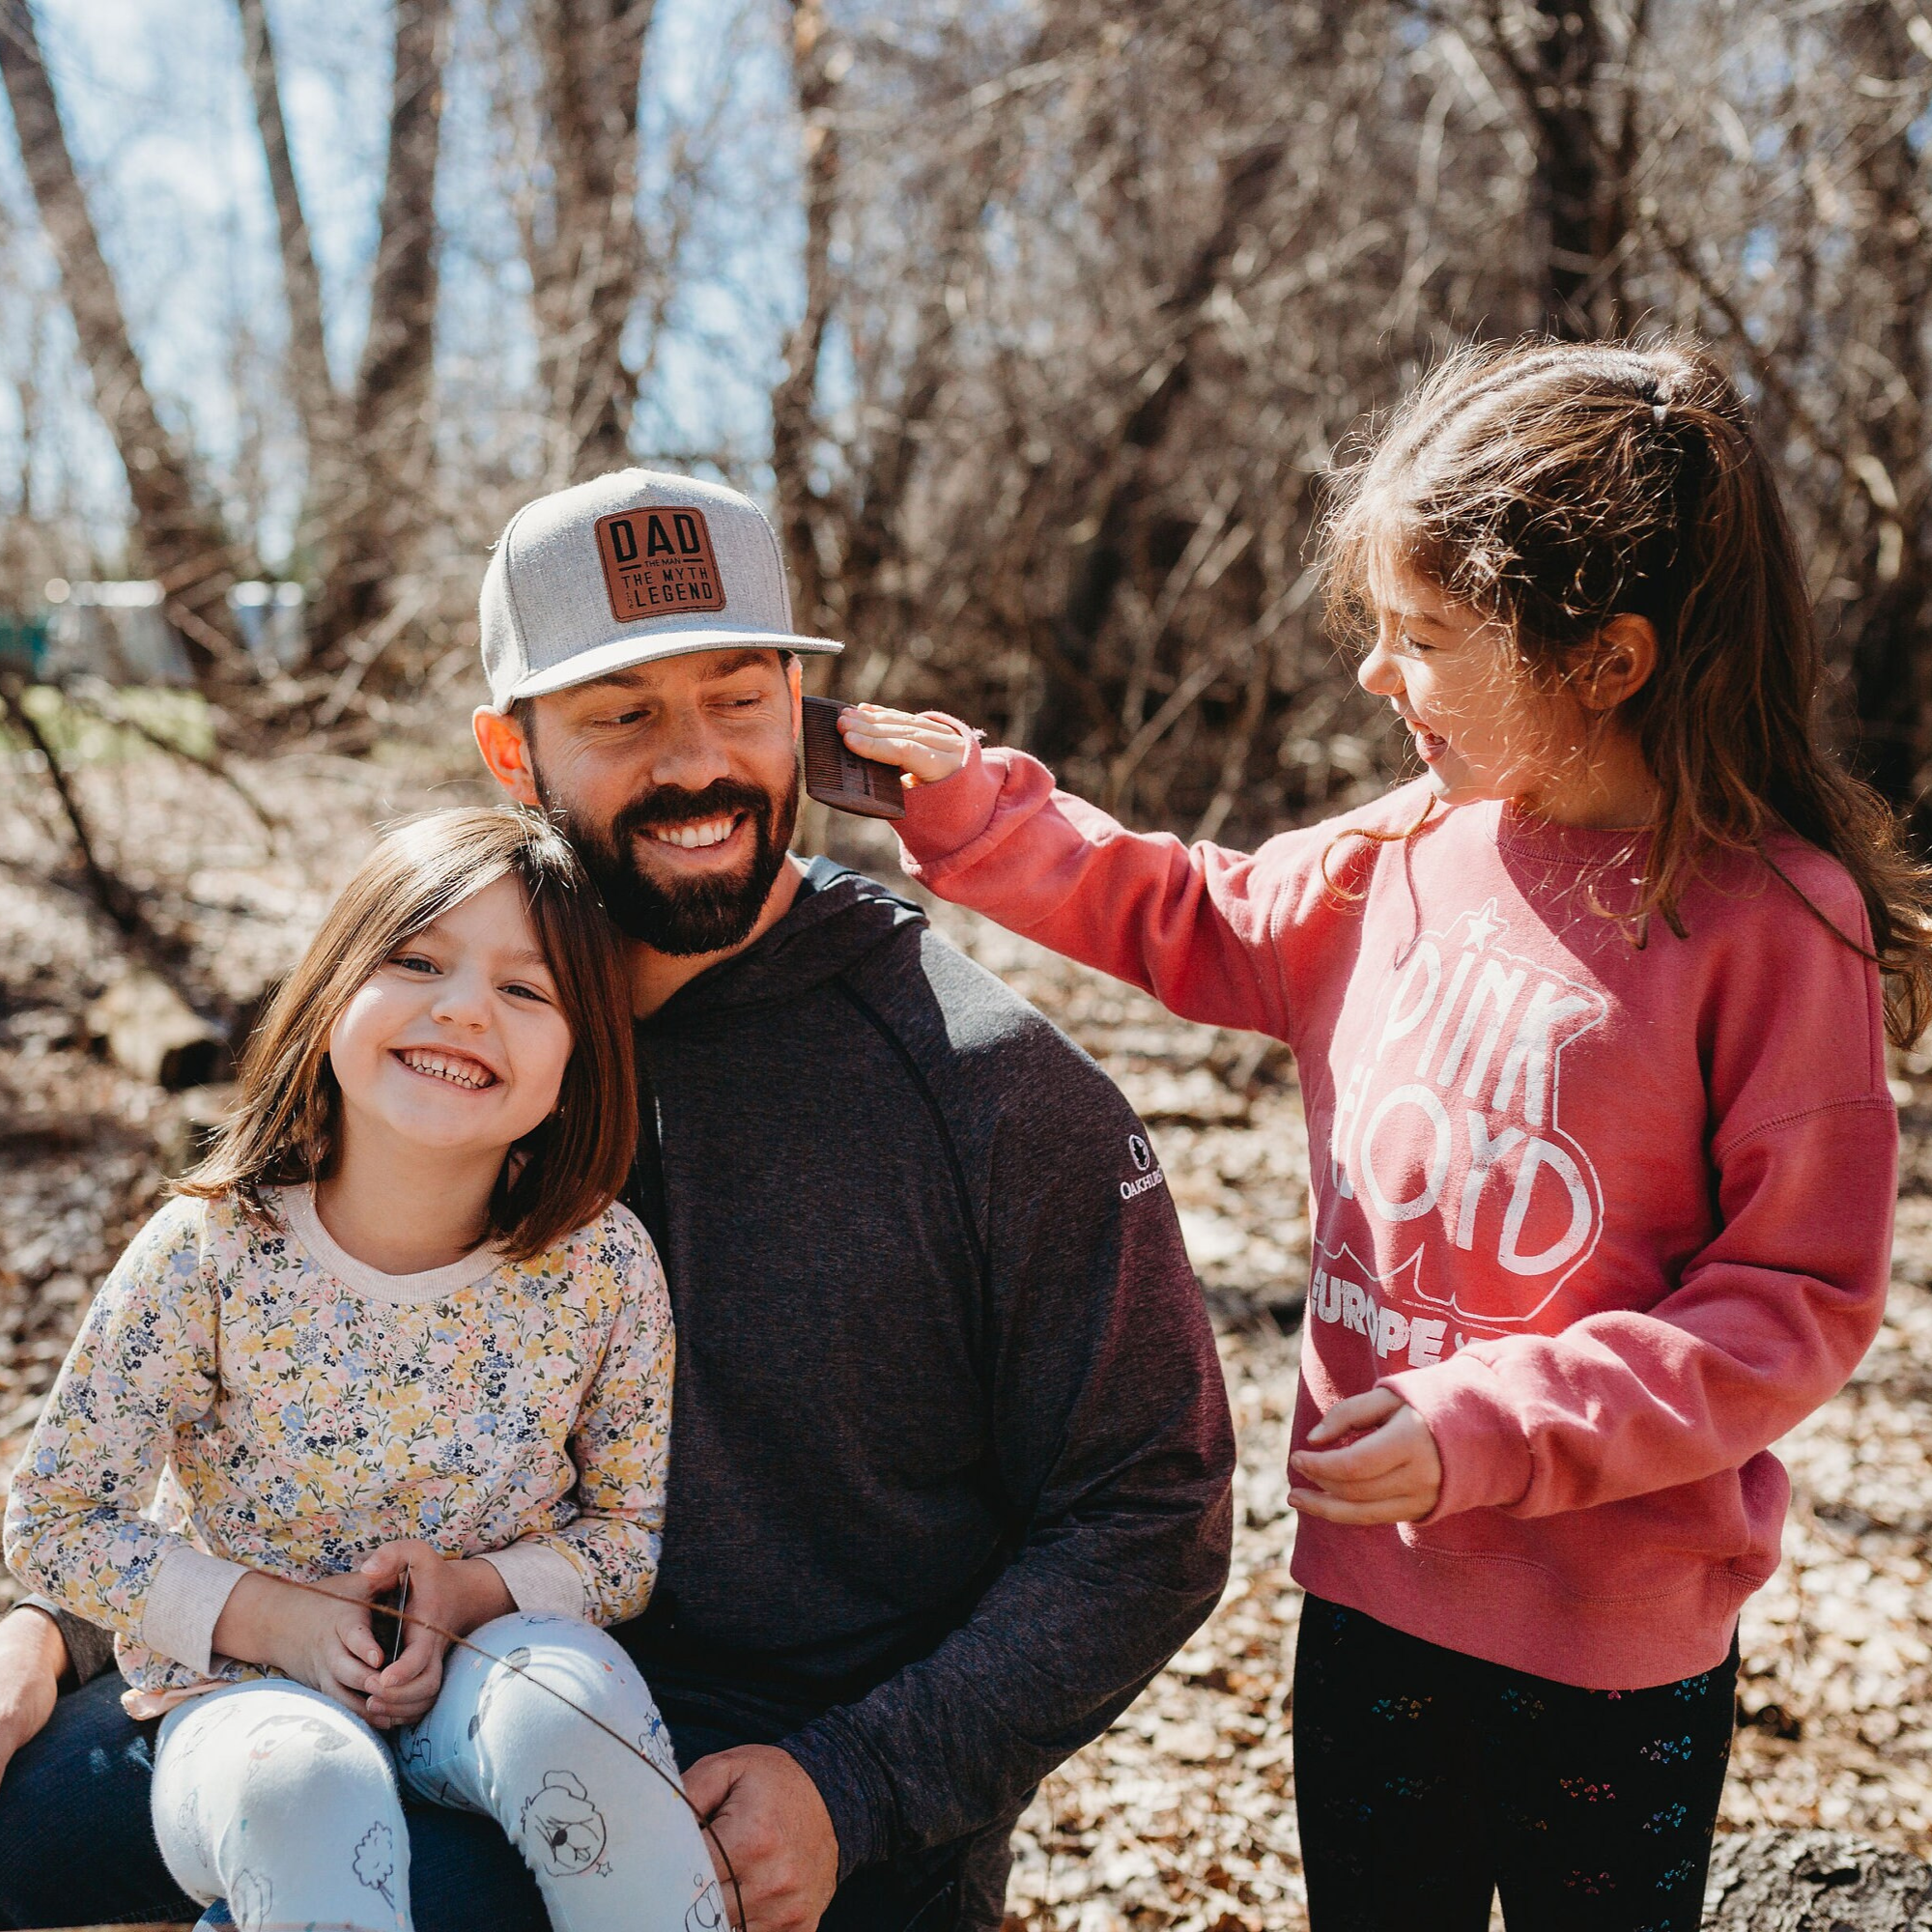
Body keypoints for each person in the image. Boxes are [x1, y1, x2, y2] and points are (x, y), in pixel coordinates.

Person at [0, 469, 1236, 1932]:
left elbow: (1151, 1511)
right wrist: (57, 1623)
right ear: (510, 752)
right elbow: (253, 1348)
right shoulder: (448, 1029)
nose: (697, 764)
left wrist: (859, 1783)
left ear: (806, 708)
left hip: (746, 1779)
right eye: (623, 715)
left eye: (739, 698)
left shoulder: (991, 1093)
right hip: (345, 1684)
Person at [838, 338, 1922, 1931]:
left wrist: (1486, 1427)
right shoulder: (1404, 850)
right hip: (1375, 1596)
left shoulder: (1774, 927)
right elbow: (1197, 914)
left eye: (1424, 638)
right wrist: (985, 815)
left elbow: (1794, 1307)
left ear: (1607, 660)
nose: (1377, 676)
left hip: (1610, 1647)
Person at [5, 807, 723, 1932]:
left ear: (583, 1054)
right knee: (307, 1788)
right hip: (241, 1699)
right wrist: (283, 1622)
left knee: (577, 1720)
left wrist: (471, 1592)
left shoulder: (599, 1265)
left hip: (491, 1661)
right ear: (331, 986)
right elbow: (53, 1521)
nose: (463, 1007)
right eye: (418, 959)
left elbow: (625, 1539)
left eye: (526, 991)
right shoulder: (212, 1250)